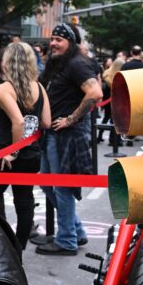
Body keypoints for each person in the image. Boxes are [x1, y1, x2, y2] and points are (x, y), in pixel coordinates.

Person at [35, 22, 102, 256]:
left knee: (62, 188)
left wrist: (71, 119)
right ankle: (76, 231)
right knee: (46, 182)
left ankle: (66, 241)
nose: (53, 43)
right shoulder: (57, 65)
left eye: (59, 39)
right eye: (52, 38)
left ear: (70, 43)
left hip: (67, 136)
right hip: (52, 134)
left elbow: (95, 93)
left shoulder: (77, 64)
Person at [0, 42, 51, 251]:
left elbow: (18, 122)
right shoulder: (39, 87)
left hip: (5, 155)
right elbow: (46, 122)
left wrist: (12, 152)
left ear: (7, 63)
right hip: (31, 155)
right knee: (24, 200)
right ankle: (18, 250)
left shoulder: (4, 88)